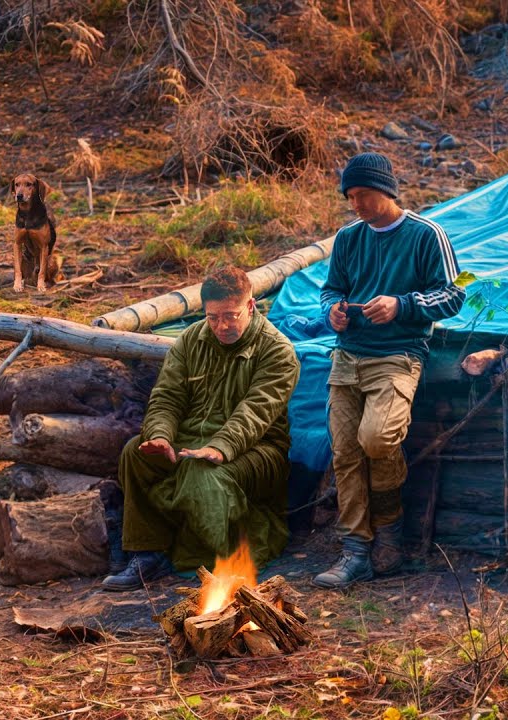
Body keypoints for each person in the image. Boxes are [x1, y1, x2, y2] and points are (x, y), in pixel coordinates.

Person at [313, 152, 465, 589]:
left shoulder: (425, 235)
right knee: (344, 452)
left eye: (362, 194)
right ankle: (356, 550)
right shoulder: (347, 238)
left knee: (377, 438)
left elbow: (452, 295)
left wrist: (402, 305)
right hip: (347, 355)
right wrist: (333, 314)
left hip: (398, 355)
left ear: (386, 190)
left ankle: (391, 531)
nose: (355, 204)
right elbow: (330, 291)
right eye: (350, 197)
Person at [102, 267, 301, 591]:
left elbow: (256, 413)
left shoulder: (277, 352)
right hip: (191, 439)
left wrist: (221, 447)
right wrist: (160, 436)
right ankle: (148, 554)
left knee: (203, 473)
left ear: (250, 307)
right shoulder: (191, 340)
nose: (221, 326)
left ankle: (221, 560)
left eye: (230, 316)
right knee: (135, 454)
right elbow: (167, 397)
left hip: (259, 450)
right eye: (212, 317)